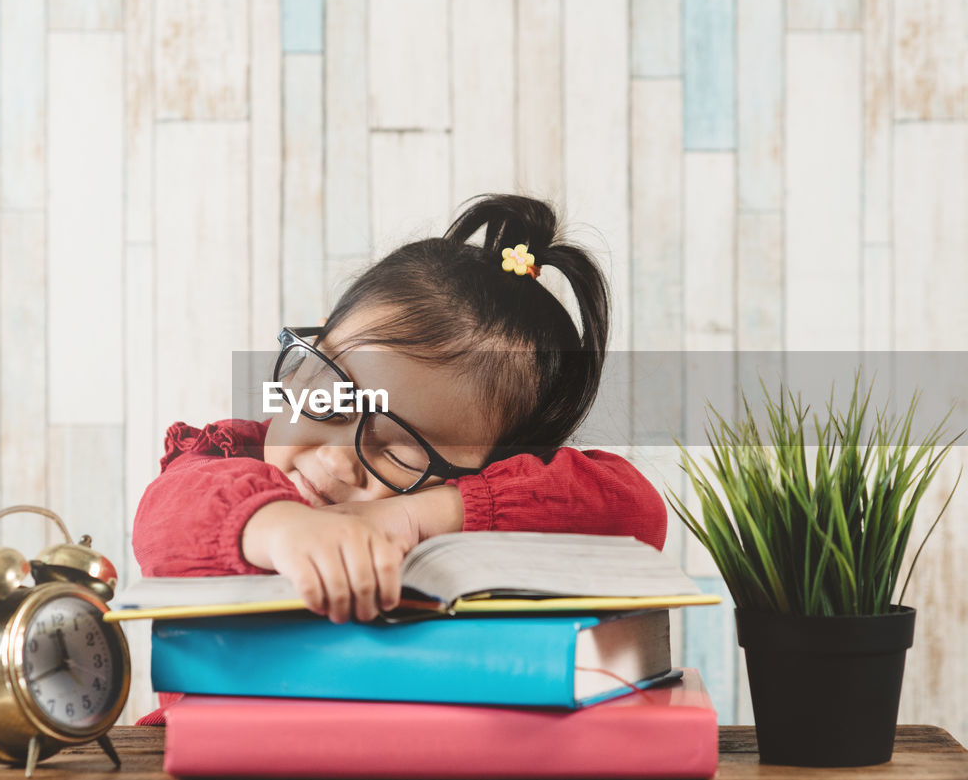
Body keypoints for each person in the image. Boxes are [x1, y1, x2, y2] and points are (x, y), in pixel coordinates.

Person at [131, 194, 667, 627]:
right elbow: (164, 518)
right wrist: (280, 528)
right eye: (330, 397)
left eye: (399, 450)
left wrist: (412, 518)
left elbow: (635, 514)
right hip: (212, 756)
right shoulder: (222, 459)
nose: (340, 460)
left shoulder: (444, 511)